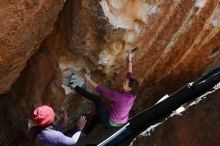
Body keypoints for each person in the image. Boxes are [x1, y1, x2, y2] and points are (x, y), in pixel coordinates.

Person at [70, 49, 139, 131]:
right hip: (121, 120)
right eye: (124, 81)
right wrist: (130, 58)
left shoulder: (120, 97)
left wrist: (88, 79)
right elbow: (129, 74)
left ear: (129, 88)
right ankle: (85, 133)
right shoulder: (132, 93)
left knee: (97, 99)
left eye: (125, 83)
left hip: (111, 121)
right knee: (97, 117)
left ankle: (75, 87)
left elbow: (100, 90)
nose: (123, 83)